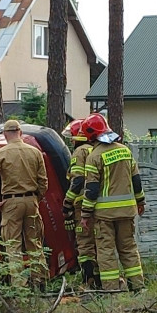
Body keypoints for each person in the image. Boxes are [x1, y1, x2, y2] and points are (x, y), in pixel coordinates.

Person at [79, 114, 147, 292]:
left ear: (90, 135)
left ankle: (112, 290)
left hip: (104, 216)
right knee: (129, 248)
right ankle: (138, 287)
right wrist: (140, 202)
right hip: (127, 212)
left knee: (106, 251)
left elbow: (91, 190)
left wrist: (85, 214)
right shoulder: (125, 151)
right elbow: (137, 181)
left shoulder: (94, 156)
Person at [0, 119, 49, 288]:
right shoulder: (35, 152)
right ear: (20, 133)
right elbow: (44, 182)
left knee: (13, 245)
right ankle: (40, 282)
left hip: (10, 203)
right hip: (31, 201)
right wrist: (36, 198)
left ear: (5, 134)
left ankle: (20, 286)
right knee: (34, 242)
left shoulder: (1, 153)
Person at [62, 119, 100, 289]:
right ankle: (102, 280)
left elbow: (77, 181)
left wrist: (67, 203)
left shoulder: (79, 152)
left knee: (84, 244)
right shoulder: (98, 149)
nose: (71, 140)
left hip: (82, 206)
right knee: (99, 242)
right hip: (99, 205)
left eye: (73, 137)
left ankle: (88, 281)